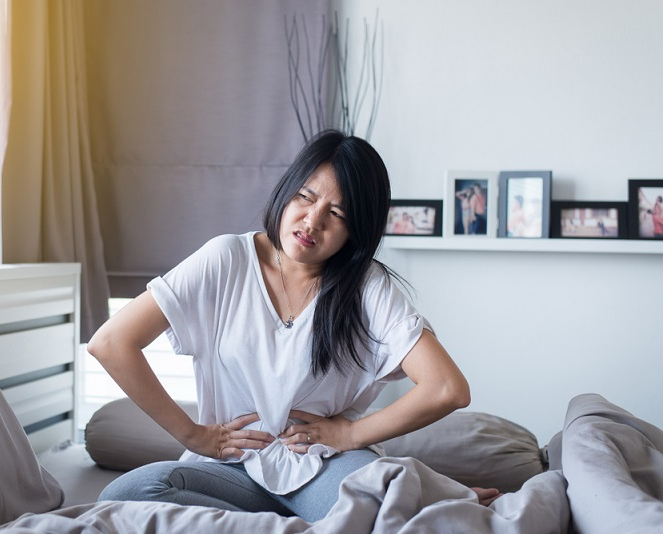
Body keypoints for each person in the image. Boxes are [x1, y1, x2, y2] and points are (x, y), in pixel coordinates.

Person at [87, 130, 501, 522]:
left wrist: (352, 434)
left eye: (336, 213)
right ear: (287, 191)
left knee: (393, 515)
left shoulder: (367, 286)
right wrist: (193, 435)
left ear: (357, 231)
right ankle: (342, 512)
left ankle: (407, 500)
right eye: (306, 196)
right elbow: (110, 342)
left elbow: (447, 388)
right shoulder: (226, 259)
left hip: (320, 464)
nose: (312, 220)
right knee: (126, 497)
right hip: (230, 469)